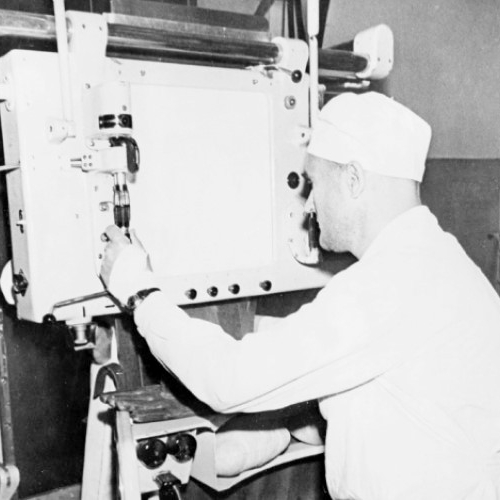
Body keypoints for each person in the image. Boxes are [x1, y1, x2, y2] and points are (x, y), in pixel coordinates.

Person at [100, 92, 500, 499]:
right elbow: (392, 408)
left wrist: (139, 291)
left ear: (353, 180)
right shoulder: (437, 262)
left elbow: (227, 379)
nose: (308, 204)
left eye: (313, 183)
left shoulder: (390, 281)